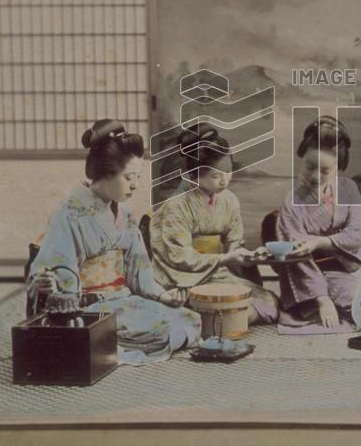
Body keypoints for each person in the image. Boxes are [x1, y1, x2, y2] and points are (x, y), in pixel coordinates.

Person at [28, 119, 201, 364]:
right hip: (88, 306)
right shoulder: (70, 213)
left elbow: (138, 265)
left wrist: (163, 296)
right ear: (106, 173)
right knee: (159, 327)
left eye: (138, 177)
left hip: (121, 299)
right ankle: (95, 341)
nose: (135, 185)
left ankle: (104, 343)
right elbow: (58, 267)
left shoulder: (125, 212)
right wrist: (49, 282)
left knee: (189, 317)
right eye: (129, 177)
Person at [149, 123, 279, 324]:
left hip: (218, 273)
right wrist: (226, 258)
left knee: (269, 303)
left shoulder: (230, 200)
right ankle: (219, 318)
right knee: (221, 305)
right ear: (194, 173)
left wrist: (246, 256)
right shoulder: (176, 206)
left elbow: (234, 244)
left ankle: (220, 318)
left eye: (228, 172)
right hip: (184, 277)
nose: (224, 180)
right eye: (216, 175)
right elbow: (180, 257)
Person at [271, 116, 361, 331]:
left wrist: (319, 242)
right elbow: (296, 255)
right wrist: (322, 300)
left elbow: (356, 235)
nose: (315, 176)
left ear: (338, 167)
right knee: (357, 302)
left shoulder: (349, 188)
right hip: (315, 273)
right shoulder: (292, 201)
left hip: (357, 261)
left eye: (325, 171)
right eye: (309, 166)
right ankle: (319, 300)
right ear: (301, 158)